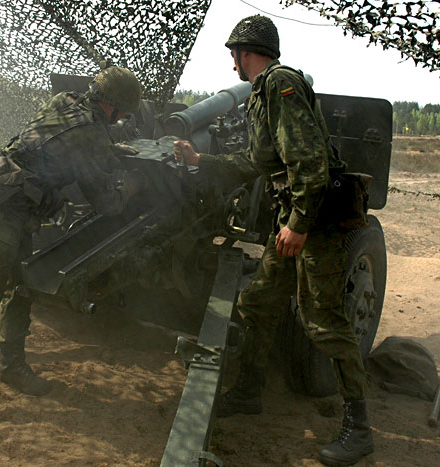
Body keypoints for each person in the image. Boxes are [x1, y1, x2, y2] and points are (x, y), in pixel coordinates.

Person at [172, 15, 373, 467]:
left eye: (234, 55)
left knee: (324, 322)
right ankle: (248, 392)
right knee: (259, 302)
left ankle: (359, 430)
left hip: (315, 223)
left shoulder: (280, 84)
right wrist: (200, 160)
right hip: (294, 219)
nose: (232, 65)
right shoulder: (262, 96)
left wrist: (298, 224)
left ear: (244, 53)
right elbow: (254, 162)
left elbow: (310, 162)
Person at [0, 66, 145, 420]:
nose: (121, 118)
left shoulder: (64, 100)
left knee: (20, 286)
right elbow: (106, 202)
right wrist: (133, 185)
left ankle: (12, 365)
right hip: (2, 205)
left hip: (13, 199)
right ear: (111, 106)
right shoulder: (91, 134)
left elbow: (59, 144)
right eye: (122, 113)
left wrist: (108, 151)